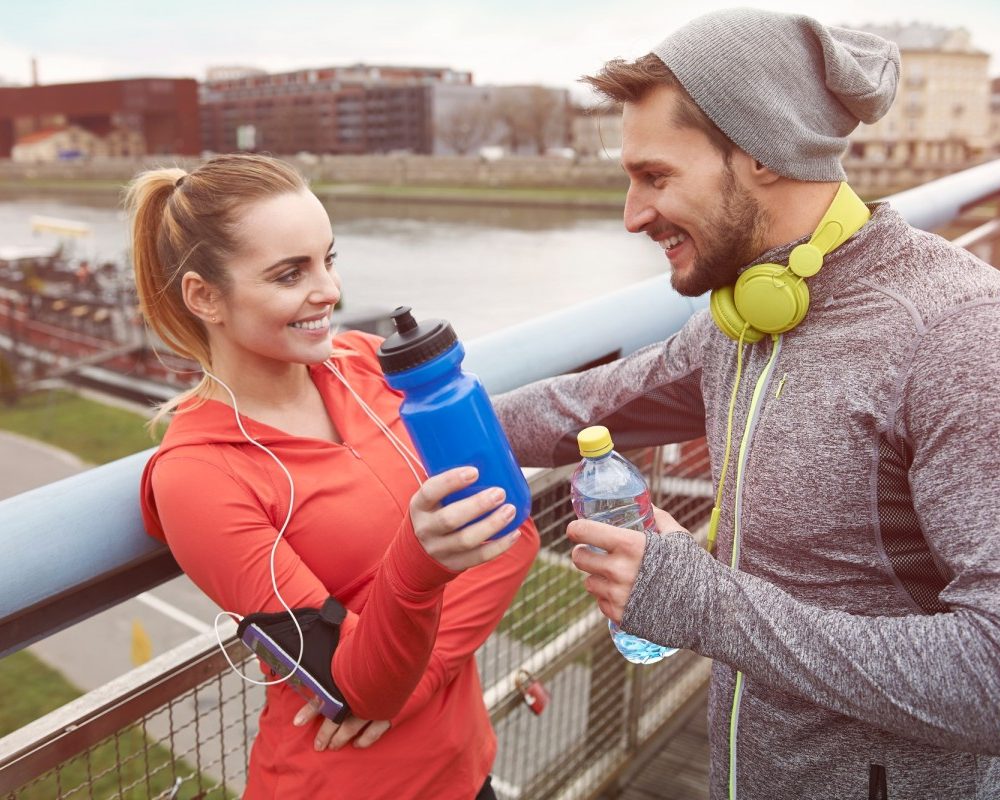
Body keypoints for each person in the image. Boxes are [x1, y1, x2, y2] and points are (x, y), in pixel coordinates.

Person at [493, 9, 1000, 799]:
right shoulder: (747, 312)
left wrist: (704, 604)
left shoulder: (958, 337)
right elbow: (583, 406)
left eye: (655, 177)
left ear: (763, 151)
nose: (631, 215)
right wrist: (385, 412)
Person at [127, 152, 539, 800]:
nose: (330, 292)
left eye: (329, 259)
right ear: (205, 296)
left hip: (463, 769)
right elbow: (354, 685)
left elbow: (513, 532)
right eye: (290, 274)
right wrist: (422, 565)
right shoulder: (199, 477)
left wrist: (401, 687)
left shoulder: (371, 362)